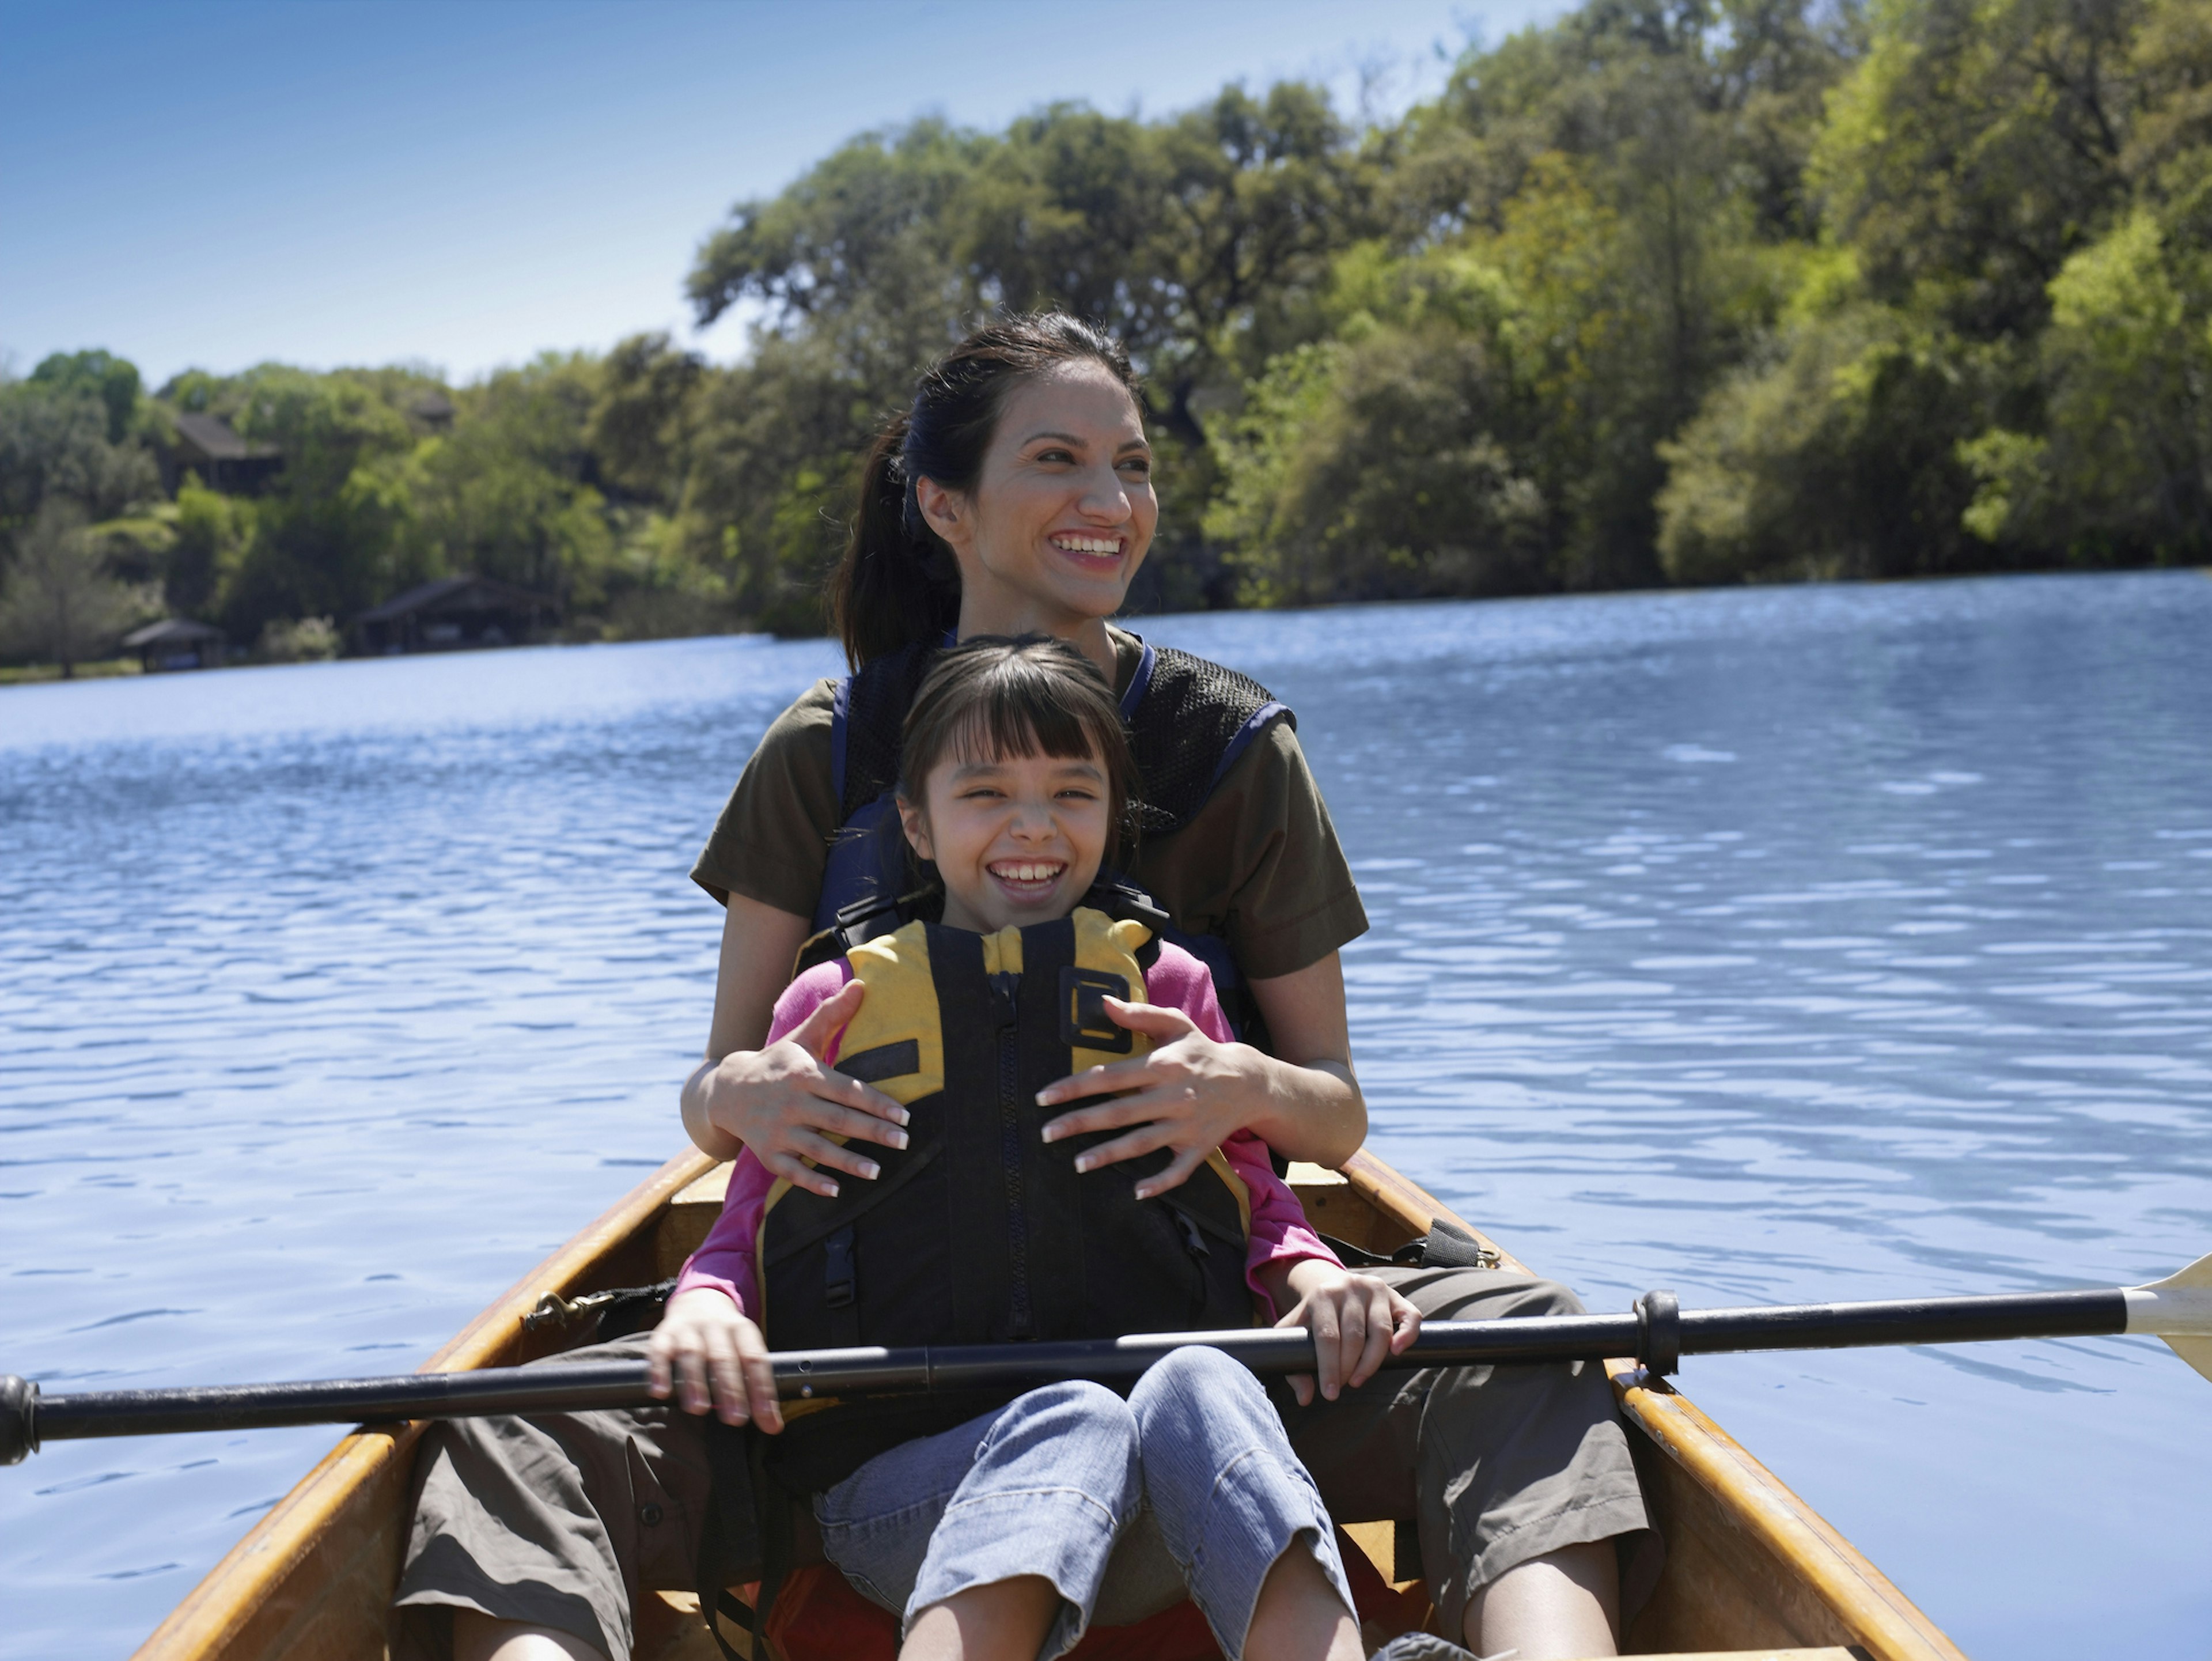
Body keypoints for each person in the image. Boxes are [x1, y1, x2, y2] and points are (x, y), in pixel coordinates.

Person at [672, 312, 1653, 1659]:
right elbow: (710, 1099)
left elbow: (1332, 1117)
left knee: (1529, 1335)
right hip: (906, 1384)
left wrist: (1240, 1082)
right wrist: (749, 1096)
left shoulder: (1236, 746)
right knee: (543, 1410)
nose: (1111, 501)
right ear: (943, 501)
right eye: (1061, 460)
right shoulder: (827, 753)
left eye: (1132, 465)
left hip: (1221, 1351)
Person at [666, 634, 1416, 1661]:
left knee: (1203, 1379)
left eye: (1074, 793)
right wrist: (703, 1305)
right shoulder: (829, 1006)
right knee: (1071, 1418)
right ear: (917, 827)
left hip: (1158, 1504)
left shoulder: (1170, 991)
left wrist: (1313, 1275)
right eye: (986, 795)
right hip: (899, 1491)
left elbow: (1249, 1193)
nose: (1036, 827)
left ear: (1114, 819)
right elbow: (744, 1232)